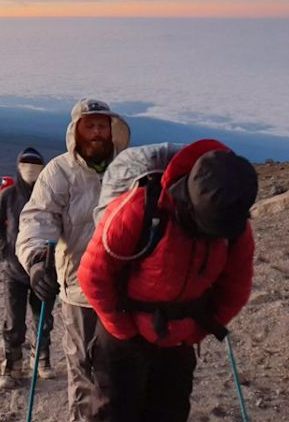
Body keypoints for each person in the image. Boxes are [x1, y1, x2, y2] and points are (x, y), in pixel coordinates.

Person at [79, 140, 257, 422]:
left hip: (178, 342)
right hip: (123, 339)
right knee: (114, 414)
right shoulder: (141, 207)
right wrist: (122, 328)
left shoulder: (232, 223)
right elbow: (93, 273)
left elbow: (236, 285)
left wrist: (196, 330)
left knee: (169, 414)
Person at [16, 98, 130, 421]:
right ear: (76, 132)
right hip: (79, 291)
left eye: (102, 126)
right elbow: (38, 219)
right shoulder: (59, 172)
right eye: (89, 126)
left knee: (121, 372)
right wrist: (38, 262)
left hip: (125, 291)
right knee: (82, 369)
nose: (96, 132)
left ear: (112, 130)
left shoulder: (128, 171)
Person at [0, 147, 55, 389]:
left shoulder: (51, 197)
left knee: (43, 319)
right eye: (26, 164)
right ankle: (13, 364)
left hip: (44, 272)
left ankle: (42, 356)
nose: (31, 169)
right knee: (14, 321)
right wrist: (5, 248)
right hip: (14, 272)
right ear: (18, 166)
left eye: (36, 165)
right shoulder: (7, 196)